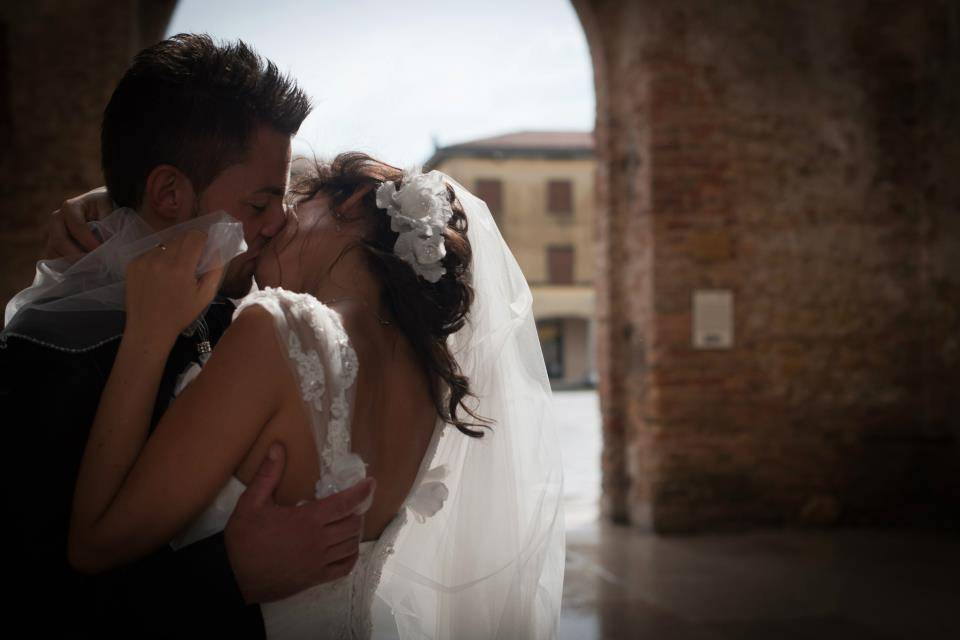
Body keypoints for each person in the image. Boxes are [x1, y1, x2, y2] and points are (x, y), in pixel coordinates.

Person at [43, 153, 567, 638]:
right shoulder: (428, 377)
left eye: (289, 205)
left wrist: (149, 334)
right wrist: (121, 211)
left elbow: (95, 545)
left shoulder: (279, 329)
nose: (268, 227)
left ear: (353, 203)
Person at [0, 35, 374, 638]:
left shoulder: (232, 306)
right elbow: (36, 600)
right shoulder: (47, 356)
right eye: (259, 204)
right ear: (169, 193)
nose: (277, 223)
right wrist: (229, 574)